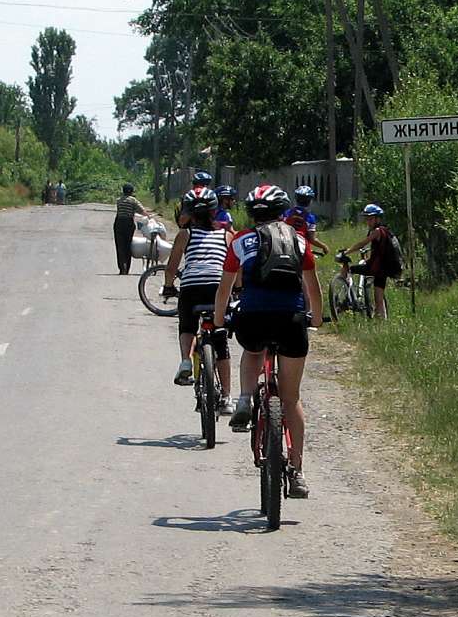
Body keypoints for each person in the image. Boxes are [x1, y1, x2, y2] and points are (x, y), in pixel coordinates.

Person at [213, 184, 322, 499]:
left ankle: (245, 397)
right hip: (291, 320)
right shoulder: (299, 241)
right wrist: (315, 318)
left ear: (252, 212)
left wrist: (220, 321)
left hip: (254, 319)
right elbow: (312, 289)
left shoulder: (240, 240)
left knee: (251, 349)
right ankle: (298, 472)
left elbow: (225, 289)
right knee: (291, 399)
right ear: (283, 211)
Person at [163, 187, 233, 412]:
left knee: (187, 326)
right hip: (218, 287)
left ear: (190, 213)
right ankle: (227, 398)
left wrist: (167, 286)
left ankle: (185, 360)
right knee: (221, 342)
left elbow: (172, 266)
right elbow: (235, 267)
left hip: (192, 287)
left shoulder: (185, 234)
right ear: (215, 211)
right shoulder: (226, 234)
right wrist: (238, 289)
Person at [342, 203, 391, 320]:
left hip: (378, 268)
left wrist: (347, 252)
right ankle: (382, 321)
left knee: (349, 268)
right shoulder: (384, 231)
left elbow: (362, 243)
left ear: (378, 219)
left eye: (370, 219)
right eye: (367, 219)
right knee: (378, 297)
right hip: (383, 268)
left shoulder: (377, 231)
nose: (368, 222)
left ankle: (347, 298)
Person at [113, 184, 151, 275]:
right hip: (128, 224)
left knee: (120, 246)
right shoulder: (133, 200)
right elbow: (142, 211)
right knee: (128, 245)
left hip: (118, 223)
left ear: (123, 191)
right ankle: (127, 267)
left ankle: (122, 268)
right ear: (132, 191)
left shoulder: (119, 201)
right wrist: (149, 217)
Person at [283, 185, 329, 257]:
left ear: (296, 198)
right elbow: (312, 239)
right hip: (302, 249)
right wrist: (324, 246)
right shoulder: (310, 218)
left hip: (285, 247)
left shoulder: (286, 214)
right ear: (310, 201)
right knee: (310, 267)